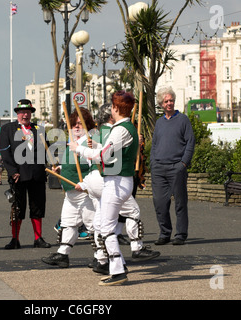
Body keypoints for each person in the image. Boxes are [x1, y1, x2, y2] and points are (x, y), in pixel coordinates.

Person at [68, 91, 139, 286]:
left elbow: (103, 156)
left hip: (116, 183)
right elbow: (108, 152)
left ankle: (117, 270)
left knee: (106, 227)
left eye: (113, 106)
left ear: (116, 108)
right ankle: (120, 265)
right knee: (101, 225)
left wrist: (79, 149)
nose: (112, 109)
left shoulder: (120, 129)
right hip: (118, 181)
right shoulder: (126, 128)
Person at [81, 103, 159, 276]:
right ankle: (136, 248)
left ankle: (101, 259)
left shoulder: (96, 134)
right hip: (109, 179)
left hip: (93, 179)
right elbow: (112, 157)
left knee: (101, 221)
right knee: (132, 212)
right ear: (111, 116)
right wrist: (135, 144)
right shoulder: (115, 132)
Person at [41, 107, 96, 268]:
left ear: (88, 125)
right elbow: (70, 164)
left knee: (93, 225)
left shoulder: (90, 143)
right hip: (71, 193)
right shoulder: (72, 143)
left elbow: (96, 168)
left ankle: (102, 257)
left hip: (85, 192)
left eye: (81, 124)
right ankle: (63, 254)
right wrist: (60, 169)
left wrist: (85, 184)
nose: (77, 127)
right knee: (68, 222)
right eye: (74, 124)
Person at [0, 99, 50, 249]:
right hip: (18, 175)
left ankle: (38, 238)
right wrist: (12, 171)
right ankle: (15, 239)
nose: (24, 115)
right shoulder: (8, 129)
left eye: (27, 112)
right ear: (17, 113)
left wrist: (51, 164)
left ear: (31, 113)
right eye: (22, 112)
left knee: (38, 206)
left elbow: (46, 150)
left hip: (37, 174)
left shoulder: (39, 129)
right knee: (17, 208)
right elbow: (5, 152)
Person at [151, 87, 195, 246]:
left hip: (177, 167)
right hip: (159, 168)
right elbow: (154, 144)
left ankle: (181, 234)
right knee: (160, 202)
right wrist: (153, 162)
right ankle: (164, 233)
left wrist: (183, 163)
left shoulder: (183, 120)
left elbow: (190, 143)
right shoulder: (159, 122)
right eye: (166, 101)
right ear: (161, 104)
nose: (169, 103)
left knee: (180, 202)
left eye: (171, 100)